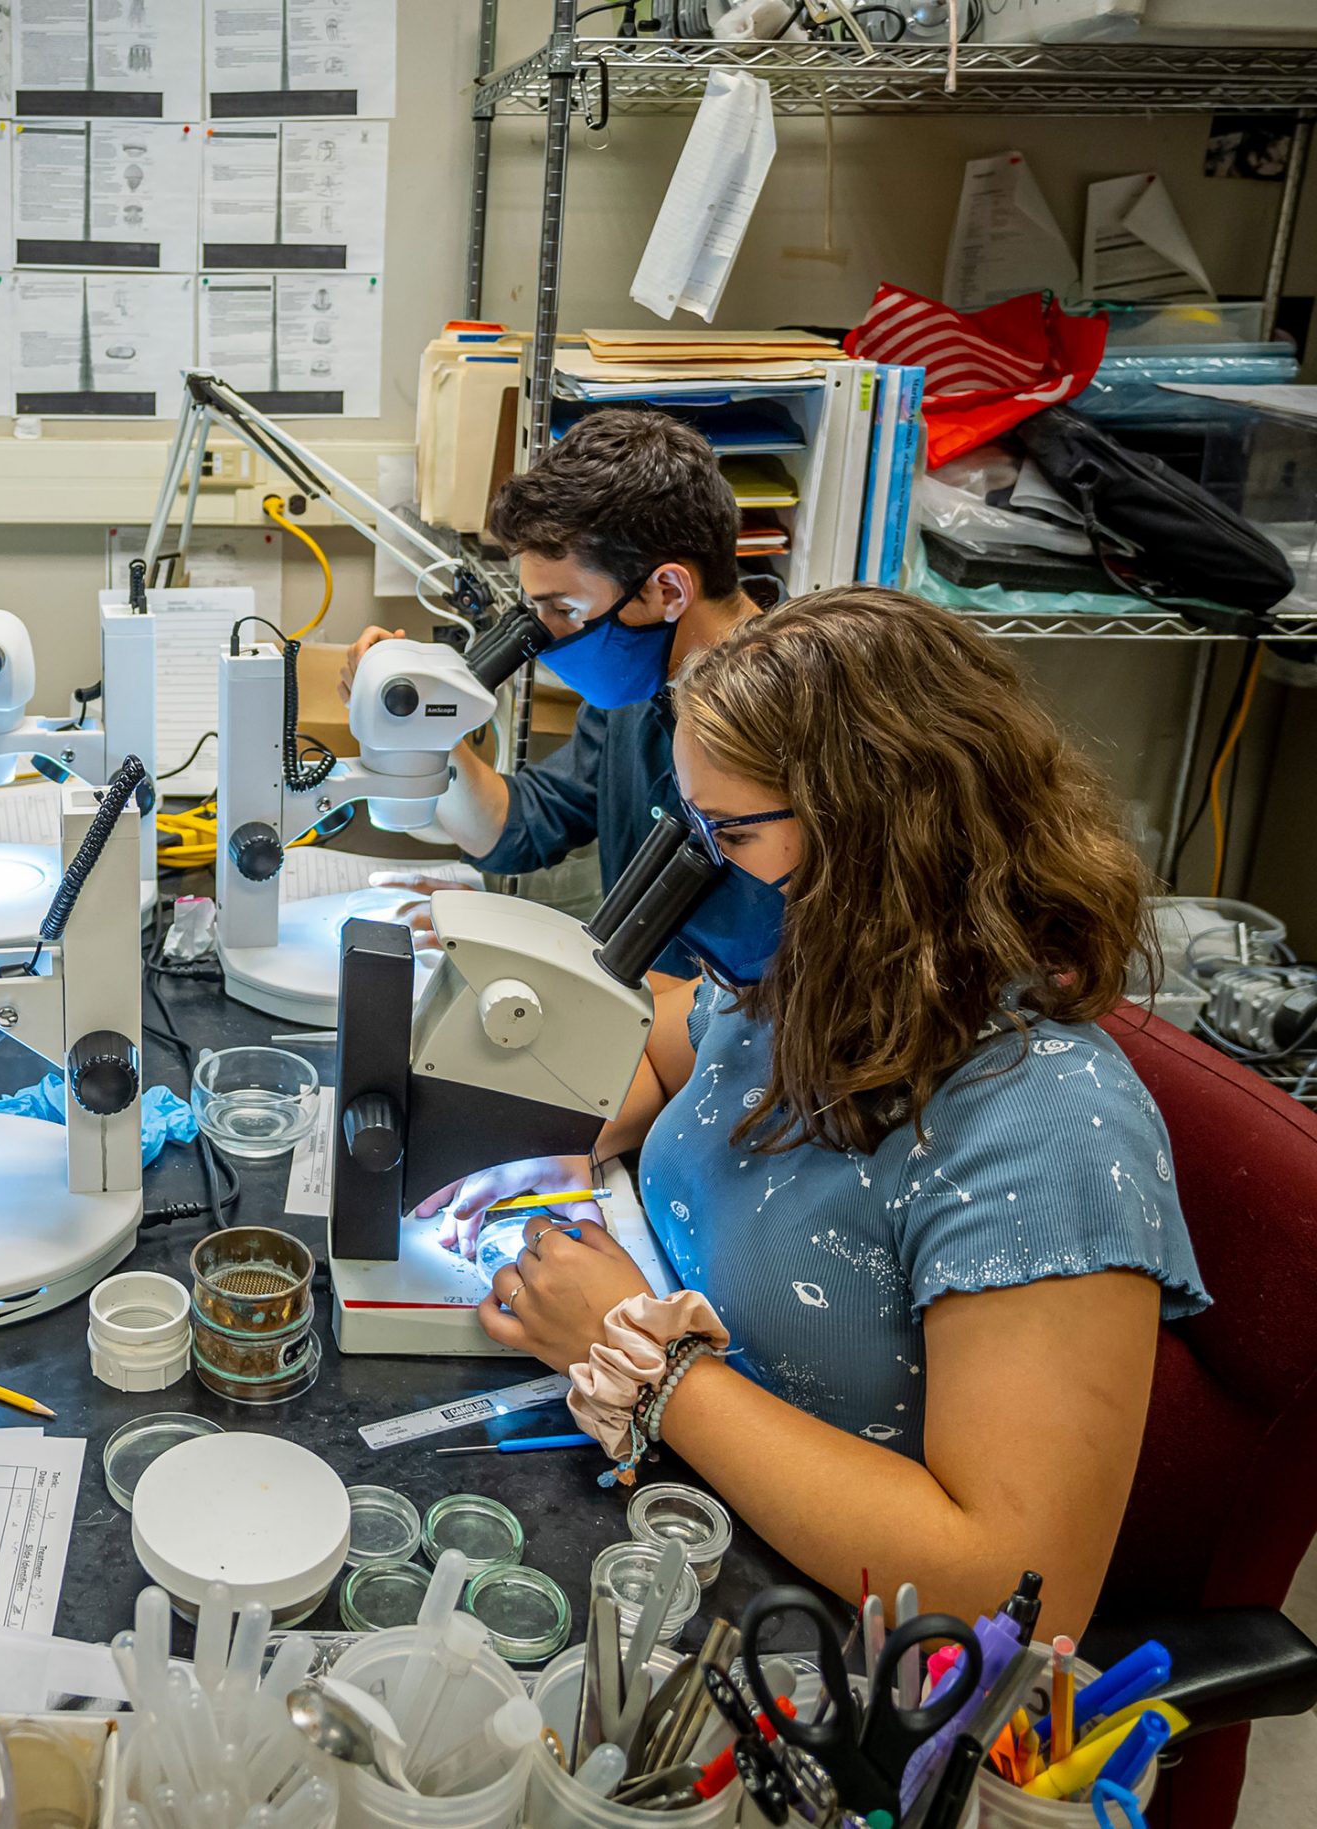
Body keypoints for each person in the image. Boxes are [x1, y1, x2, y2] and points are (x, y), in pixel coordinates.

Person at [427, 588, 1207, 1638]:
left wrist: (646, 1363)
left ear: (883, 836)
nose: (694, 871)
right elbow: (659, 1058)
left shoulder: (1044, 1127)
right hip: (683, 1502)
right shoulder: (806, 981)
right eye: (688, 824)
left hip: (832, 1641)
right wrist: (540, 1136)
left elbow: (1015, 1588)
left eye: (730, 833)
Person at [342, 409, 762, 973]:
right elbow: (517, 827)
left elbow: (758, 992)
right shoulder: (644, 686)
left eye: (564, 609)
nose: (546, 639)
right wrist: (427, 722)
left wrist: (534, 953)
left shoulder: (783, 725)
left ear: (666, 590)